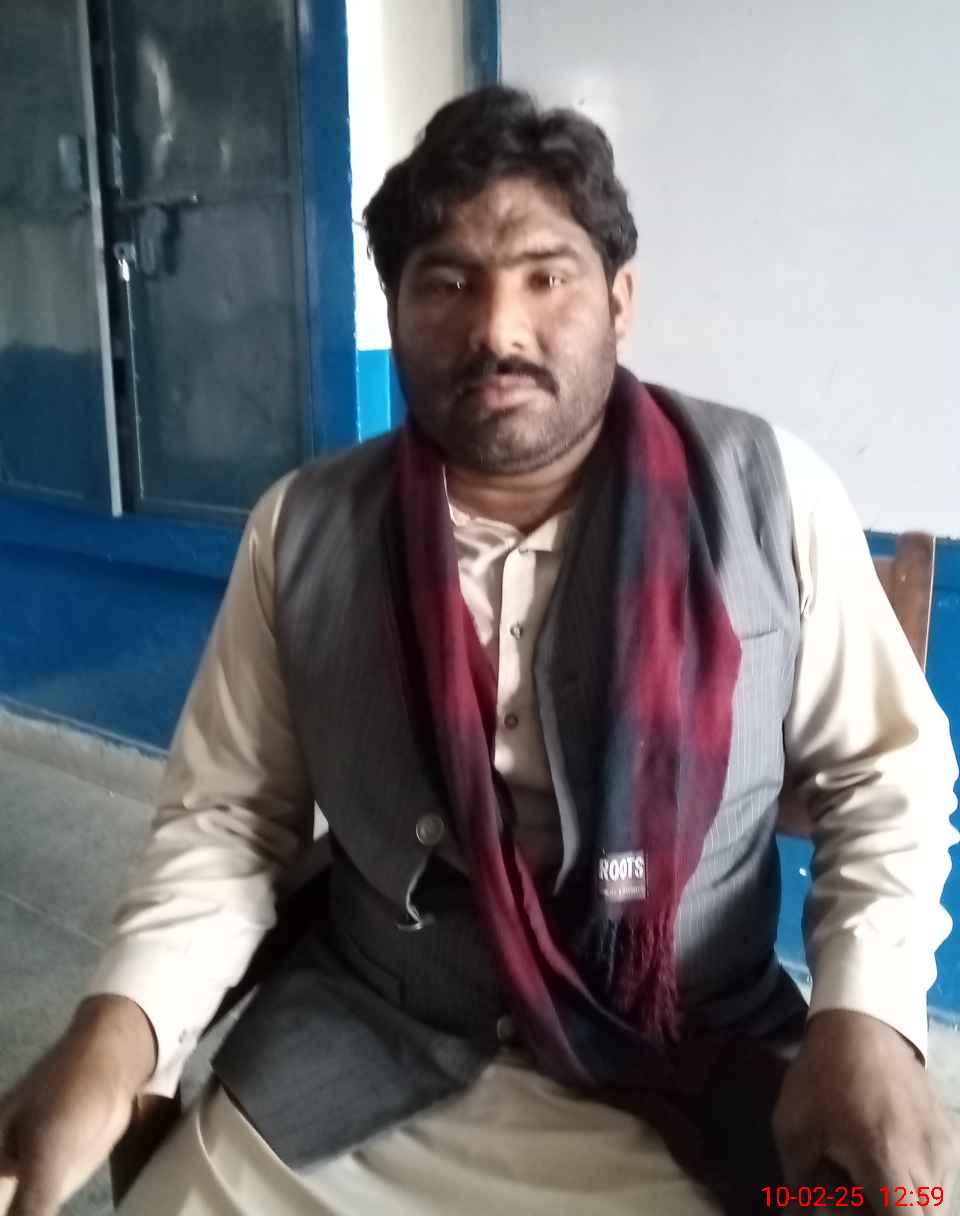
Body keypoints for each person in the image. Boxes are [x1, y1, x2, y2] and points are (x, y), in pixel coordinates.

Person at [0, 85, 957, 1216]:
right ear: (396, 308)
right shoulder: (303, 529)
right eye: (447, 283)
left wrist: (868, 1017)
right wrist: (115, 1038)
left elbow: (883, 777)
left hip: (694, 1047)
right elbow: (227, 822)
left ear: (619, 301)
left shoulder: (769, 494)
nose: (498, 330)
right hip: (366, 1045)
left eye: (547, 277)